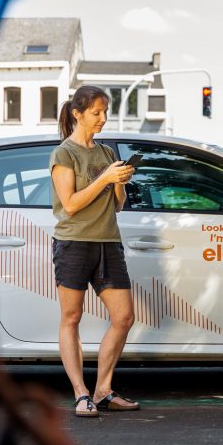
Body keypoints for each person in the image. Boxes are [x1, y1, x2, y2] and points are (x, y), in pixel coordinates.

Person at [50, 85, 139, 416]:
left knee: (124, 317)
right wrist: (104, 179)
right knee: (71, 317)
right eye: (96, 113)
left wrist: (118, 182)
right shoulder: (64, 154)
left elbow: (116, 206)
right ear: (78, 114)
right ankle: (80, 393)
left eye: (106, 112)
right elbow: (70, 205)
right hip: (73, 243)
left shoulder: (105, 153)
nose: (103, 118)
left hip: (107, 242)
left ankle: (103, 390)